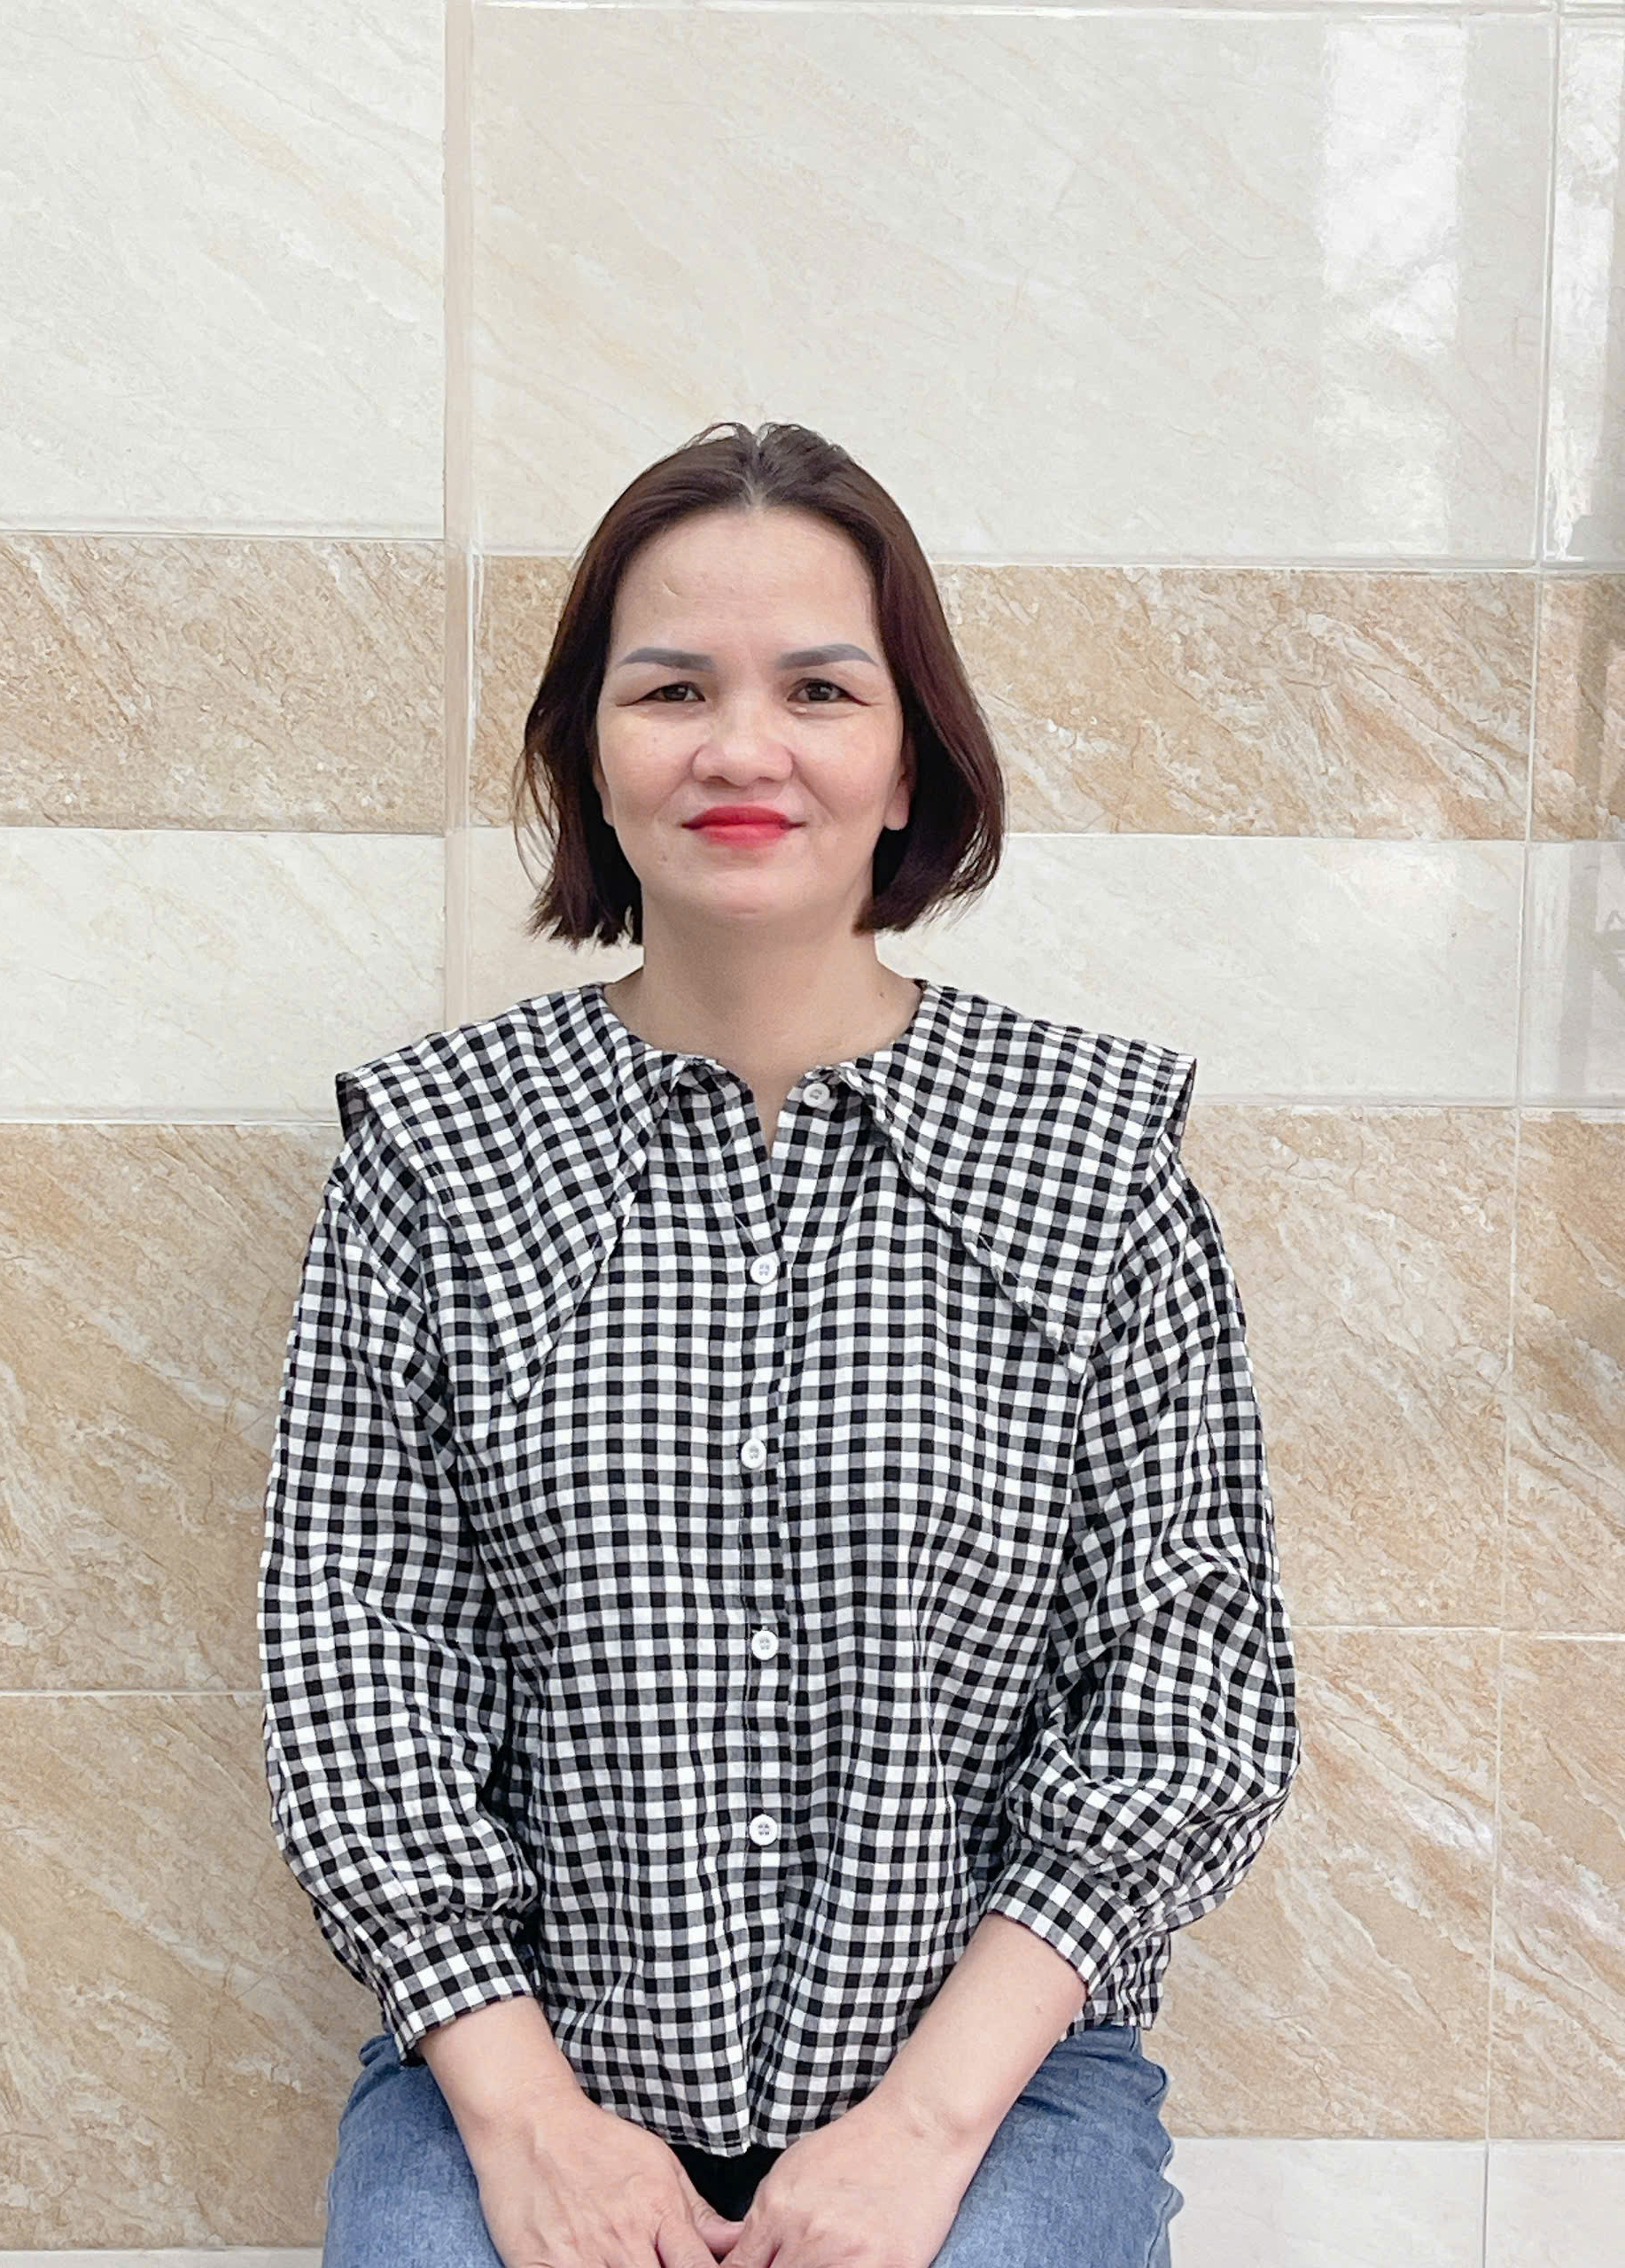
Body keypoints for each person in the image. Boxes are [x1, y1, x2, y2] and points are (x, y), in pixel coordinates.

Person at [258, 419, 1301, 2268]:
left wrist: (922, 2127)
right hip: (523, 2057)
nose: (743, 748)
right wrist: (529, 2120)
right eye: (673, 689)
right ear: (591, 753)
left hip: (993, 2083)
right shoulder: (432, 1154)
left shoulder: (1095, 1155)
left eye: (820, 689)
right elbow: (359, 1659)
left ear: (910, 761)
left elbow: (1189, 1682)